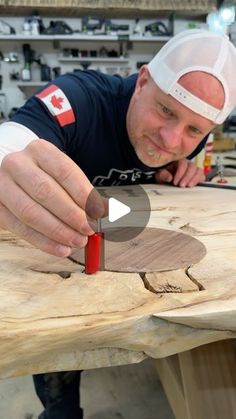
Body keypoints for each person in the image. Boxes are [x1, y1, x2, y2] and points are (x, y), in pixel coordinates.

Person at [0, 29, 236, 419]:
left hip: (129, 258)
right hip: (63, 259)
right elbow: (17, 137)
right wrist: (6, 158)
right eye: (166, 110)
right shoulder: (82, 98)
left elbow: (167, 150)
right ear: (142, 80)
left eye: (194, 130)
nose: (172, 137)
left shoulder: (175, 147)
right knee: (60, 357)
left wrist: (167, 170)